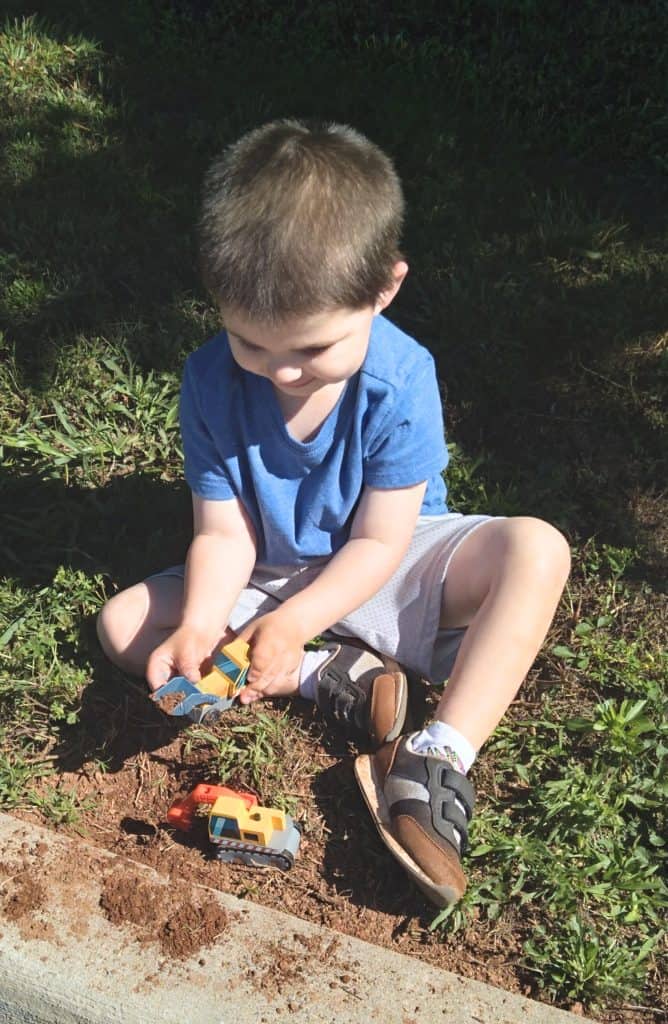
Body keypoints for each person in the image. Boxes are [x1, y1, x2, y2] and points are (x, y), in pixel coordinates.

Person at [97, 119, 571, 907]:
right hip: (269, 571)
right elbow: (223, 530)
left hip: (387, 562)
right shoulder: (210, 379)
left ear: (384, 288)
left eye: (312, 350)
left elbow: (384, 539)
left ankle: (434, 756)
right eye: (250, 343)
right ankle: (328, 676)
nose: (281, 372)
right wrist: (202, 622)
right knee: (123, 625)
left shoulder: (399, 378)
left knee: (538, 551)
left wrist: (296, 617)